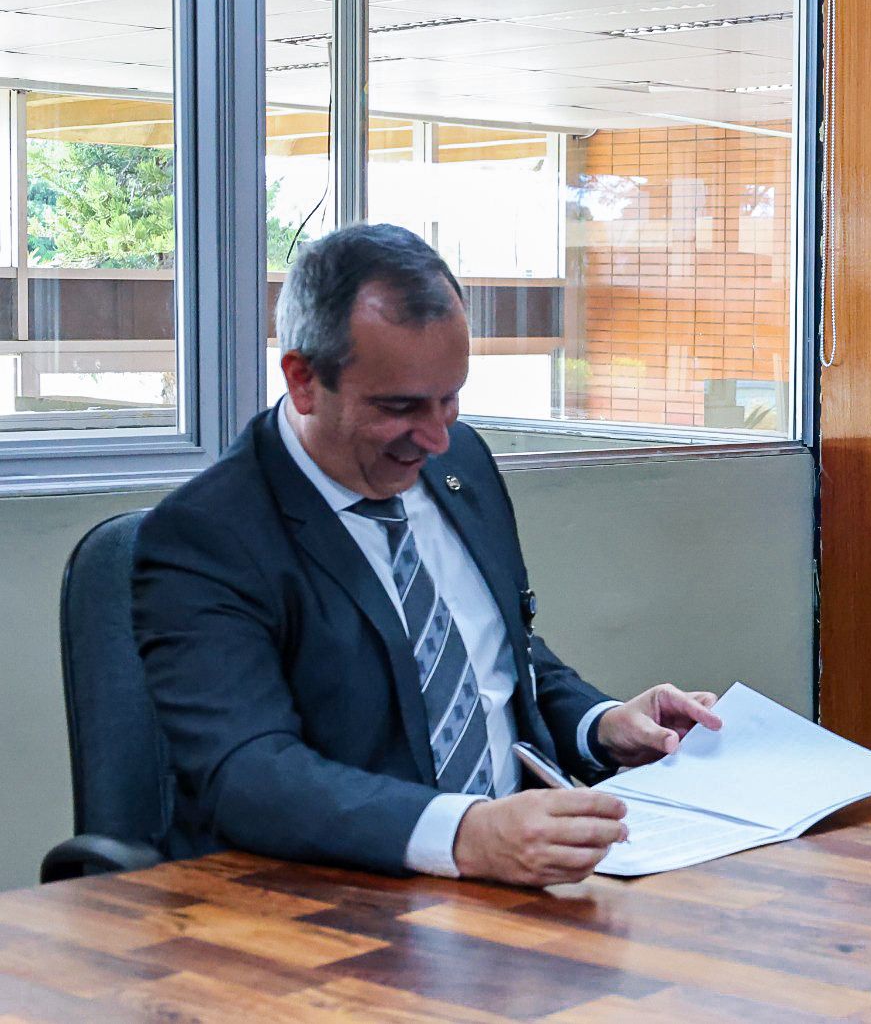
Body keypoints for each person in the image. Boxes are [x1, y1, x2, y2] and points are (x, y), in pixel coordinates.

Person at [134, 223, 722, 887]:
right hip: (331, 897)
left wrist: (600, 723)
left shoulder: (459, 462)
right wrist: (465, 834)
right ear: (303, 380)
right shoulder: (207, 536)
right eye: (401, 407)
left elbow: (495, 654)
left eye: (451, 399)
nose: (437, 437)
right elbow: (246, 773)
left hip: (522, 884)